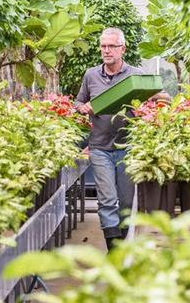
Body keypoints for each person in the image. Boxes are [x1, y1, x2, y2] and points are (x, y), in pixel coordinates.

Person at [75, 27, 168, 252]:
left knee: (126, 203)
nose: (106, 51)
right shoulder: (91, 75)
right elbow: (78, 103)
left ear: (122, 49)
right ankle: (114, 250)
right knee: (107, 200)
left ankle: (122, 243)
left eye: (111, 46)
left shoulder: (135, 77)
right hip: (99, 148)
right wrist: (83, 108)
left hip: (127, 147)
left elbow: (164, 96)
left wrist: (154, 96)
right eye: (103, 46)